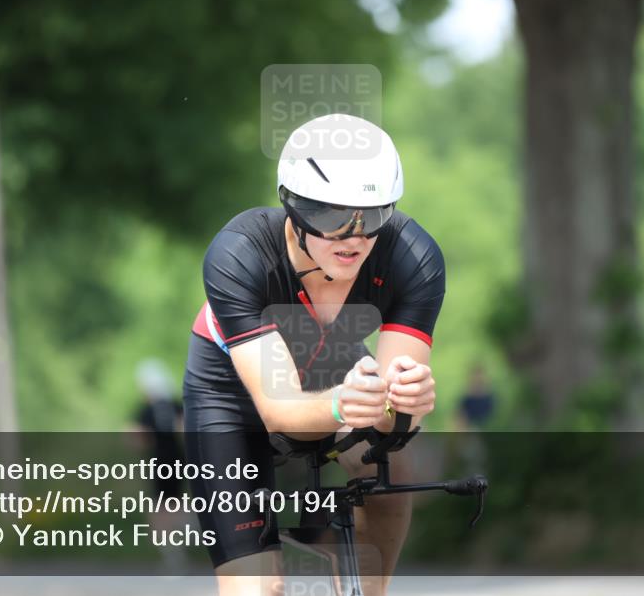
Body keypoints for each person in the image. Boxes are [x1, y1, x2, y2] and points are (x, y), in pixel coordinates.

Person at [183, 114, 444, 596]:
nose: (354, 238)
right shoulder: (239, 253)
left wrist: (403, 403)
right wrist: (345, 405)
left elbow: (392, 421)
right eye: (332, 217)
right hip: (233, 395)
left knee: (392, 464)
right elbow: (278, 410)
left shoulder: (413, 256)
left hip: (331, 363)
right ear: (294, 208)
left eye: (374, 217)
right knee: (259, 590)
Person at [132, 358, 188, 573]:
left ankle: (172, 553)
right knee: (177, 503)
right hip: (179, 460)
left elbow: (137, 440)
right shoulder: (176, 404)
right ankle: (187, 527)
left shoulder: (145, 410)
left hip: (158, 463)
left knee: (159, 510)